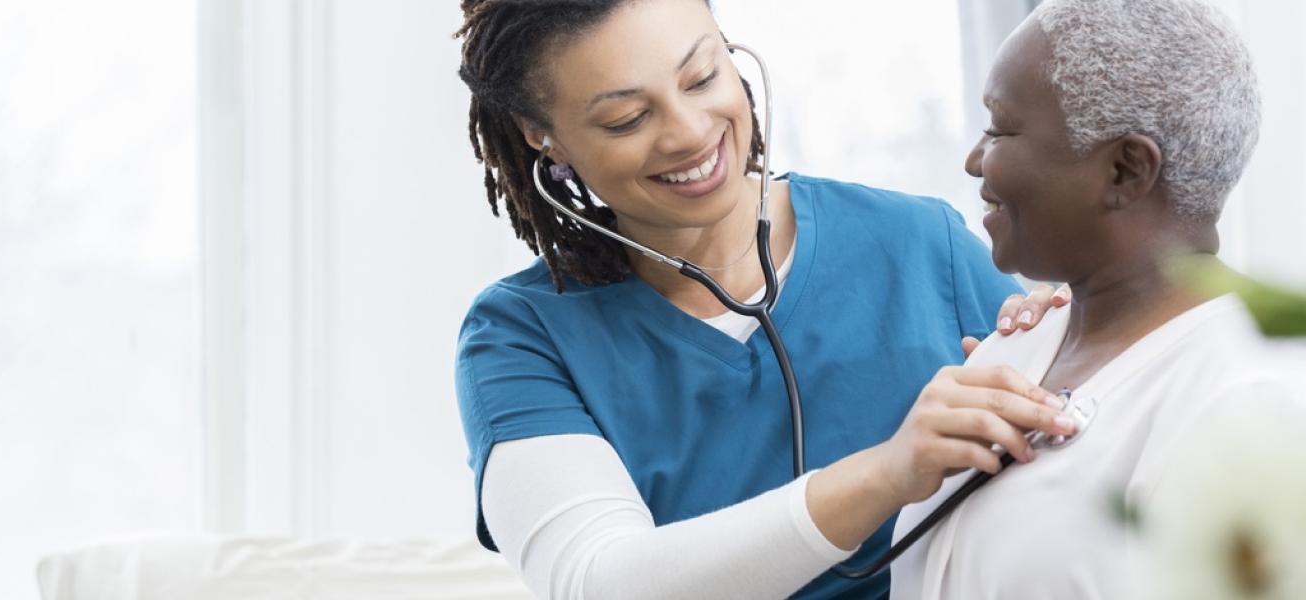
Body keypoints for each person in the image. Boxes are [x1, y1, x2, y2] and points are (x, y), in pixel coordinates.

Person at [452, 1, 1070, 598]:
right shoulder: (521, 336)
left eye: (701, 77)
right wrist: (886, 474)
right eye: (627, 119)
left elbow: (1086, 473)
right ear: (544, 137)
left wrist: (1072, 341)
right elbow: (600, 583)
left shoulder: (920, 244)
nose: (690, 133)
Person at [886, 0, 1306, 598]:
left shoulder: (1258, 391)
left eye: (1000, 128)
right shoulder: (1017, 346)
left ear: (1126, 170)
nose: (974, 159)